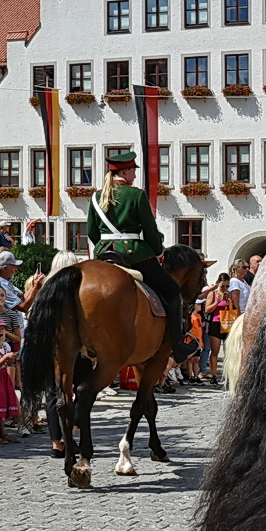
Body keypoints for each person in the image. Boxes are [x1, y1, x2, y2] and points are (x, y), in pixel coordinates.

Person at [85, 150, 191, 370]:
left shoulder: (96, 197)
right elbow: (150, 230)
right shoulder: (136, 195)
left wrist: (104, 246)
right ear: (125, 171)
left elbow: (92, 232)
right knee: (172, 291)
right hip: (133, 254)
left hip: (104, 253)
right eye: (133, 170)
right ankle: (178, 346)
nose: (134, 174)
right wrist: (158, 251)